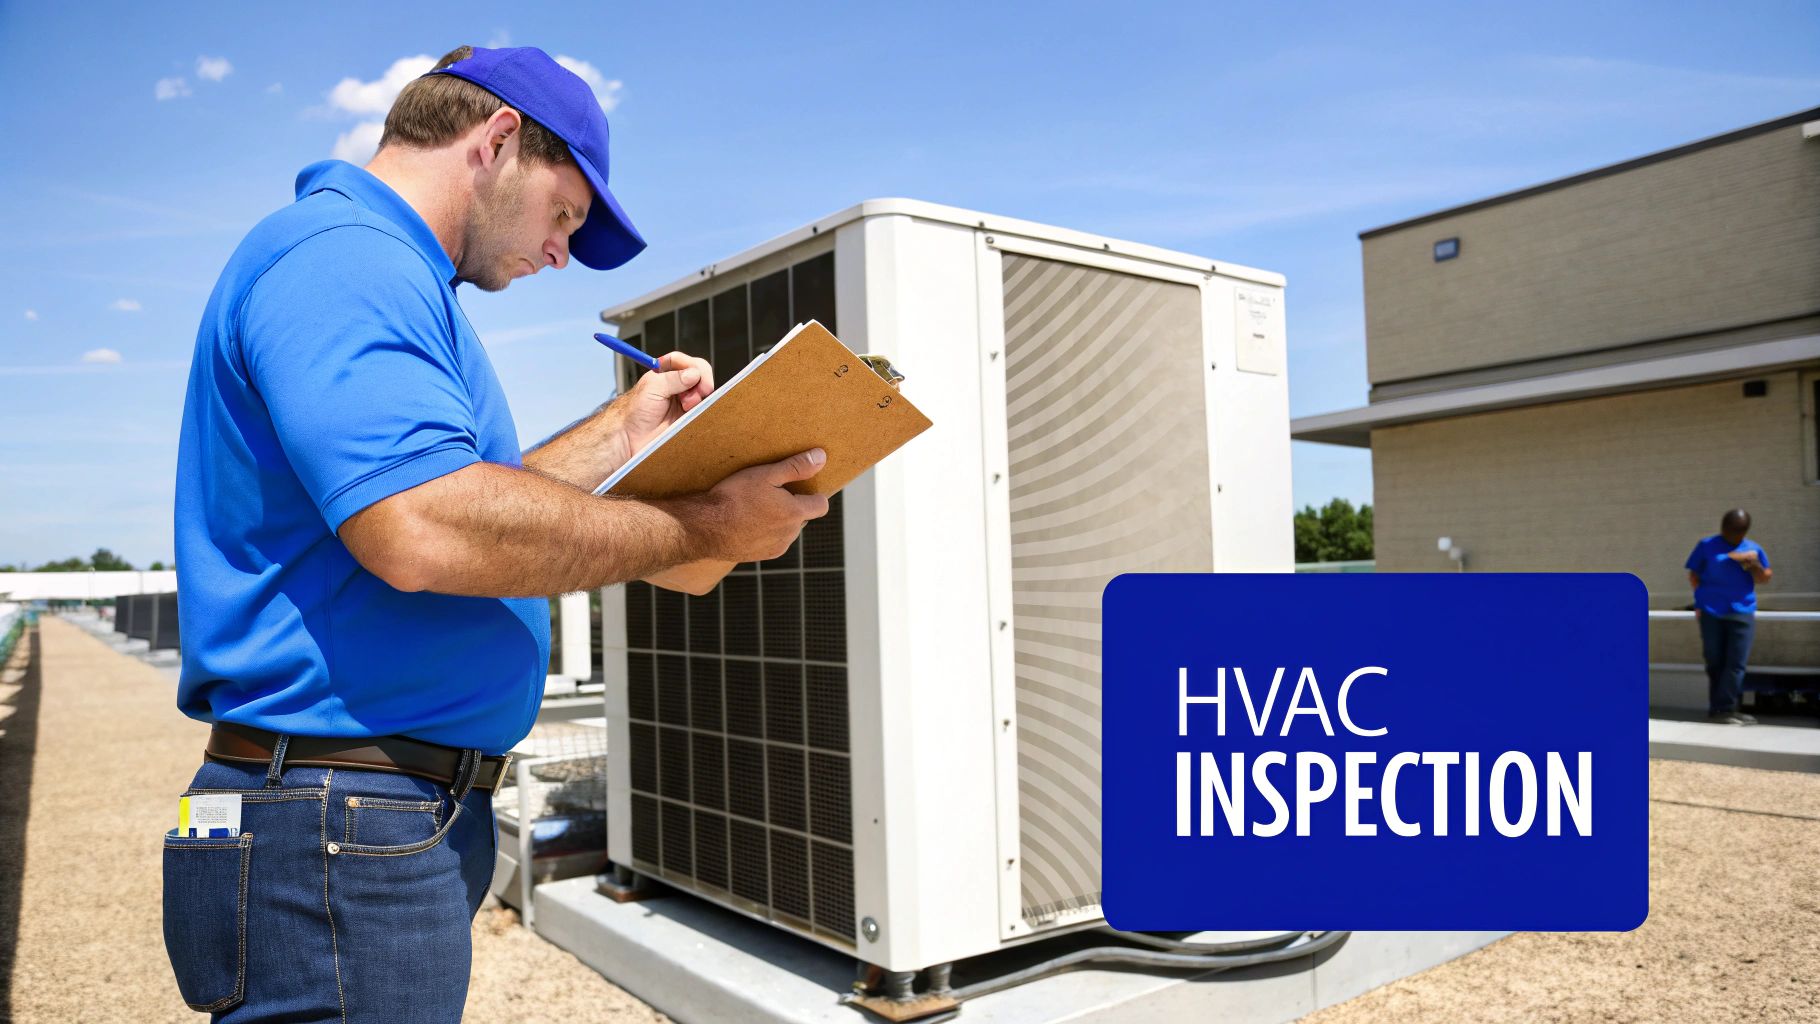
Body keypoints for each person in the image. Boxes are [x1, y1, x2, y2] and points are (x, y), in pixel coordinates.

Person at [165, 45, 826, 1021]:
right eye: (565, 215)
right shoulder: (346, 259)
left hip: (346, 810)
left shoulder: (385, 273)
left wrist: (622, 434)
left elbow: (468, 496)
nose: (562, 250)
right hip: (337, 812)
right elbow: (426, 525)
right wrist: (701, 519)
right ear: (499, 140)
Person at [1684, 509, 1772, 726]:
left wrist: (1754, 566)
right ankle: (1719, 708)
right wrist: (1700, 601)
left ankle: (1726, 708)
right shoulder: (1707, 545)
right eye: (1726, 529)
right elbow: (1694, 574)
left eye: (1734, 531)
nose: (1729, 534)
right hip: (1711, 612)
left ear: (1743, 532)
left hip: (1741, 612)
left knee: (1735, 663)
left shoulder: (1752, 549)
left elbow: (1764, 578)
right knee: (1714, 661)